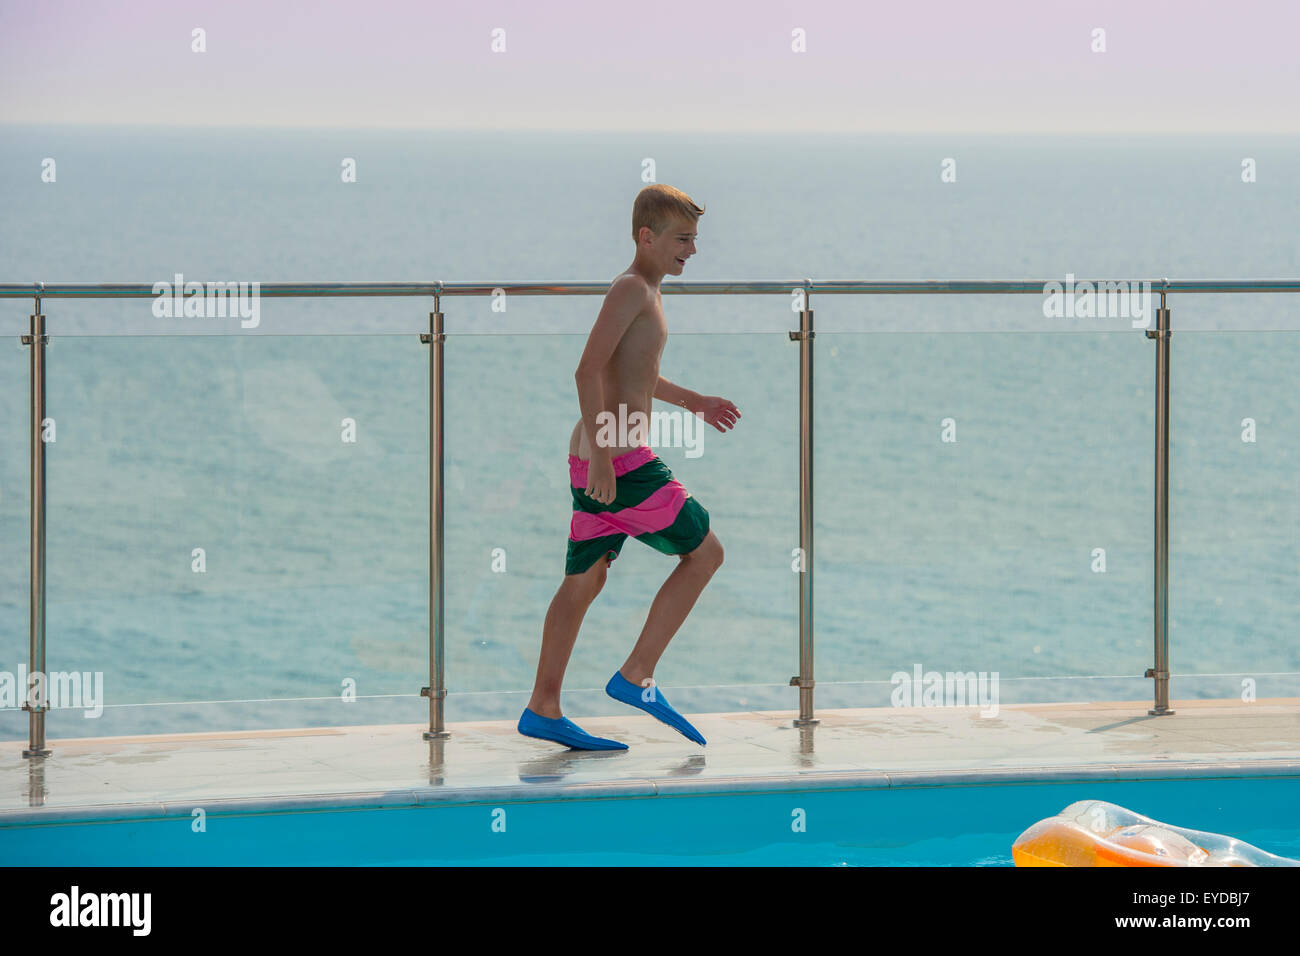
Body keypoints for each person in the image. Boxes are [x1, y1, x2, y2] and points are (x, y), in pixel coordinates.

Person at [517, 184, 739, 750]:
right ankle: (636, 675)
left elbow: (634, 375)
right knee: (706, 552)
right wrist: (601, 456)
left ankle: (543, 707)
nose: (692, 250)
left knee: (585, 579)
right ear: (648, 237)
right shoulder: (631, 289)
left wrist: (697, 402)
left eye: (694, 239)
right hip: (617, 458)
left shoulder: (647, 292)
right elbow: (586, 372)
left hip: (602, 455)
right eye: (682, 239)